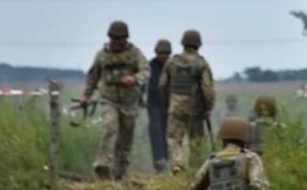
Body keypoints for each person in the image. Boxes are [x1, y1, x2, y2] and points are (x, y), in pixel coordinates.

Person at [82, 20, 149, 180]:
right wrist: (86, 95)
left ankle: (119, 172)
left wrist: (134, 78)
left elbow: (146, 71)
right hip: (109, 99)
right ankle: (102, 164)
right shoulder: (102, 55)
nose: (116, 42)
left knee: (125, 138)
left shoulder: (135, 54)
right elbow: (93, 76)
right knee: (109, 127)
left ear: (125, 39)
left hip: (129, 101)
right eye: (114, 38)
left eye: (120, 39)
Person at [159, 29, 216, 174]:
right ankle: (194, 169)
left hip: (175, 107)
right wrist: (208, 107)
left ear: (183, 43)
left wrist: (167, 103)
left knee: (174, 138)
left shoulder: (172, 62)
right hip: (195, 109)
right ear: (198, 45)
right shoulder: (201, 64)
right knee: (195, 140)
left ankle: (177, 163)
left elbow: (162, 84)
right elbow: (208, 89)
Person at [187, 117, 270, 190]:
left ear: (223, 139)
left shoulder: (212, 160)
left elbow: (195, 186)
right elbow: (259, 186)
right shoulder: (251, 158)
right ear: (245, 139)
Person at [147, 39, 172, 172]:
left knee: (168, 132)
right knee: (156, 131)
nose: (163, 56)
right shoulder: (150, 66)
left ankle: (168, 160)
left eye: (166, 54)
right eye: (161, 53)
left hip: (170, 104)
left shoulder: (173, 66)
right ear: (156, 53)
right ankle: (159, 160)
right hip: (154, 104)